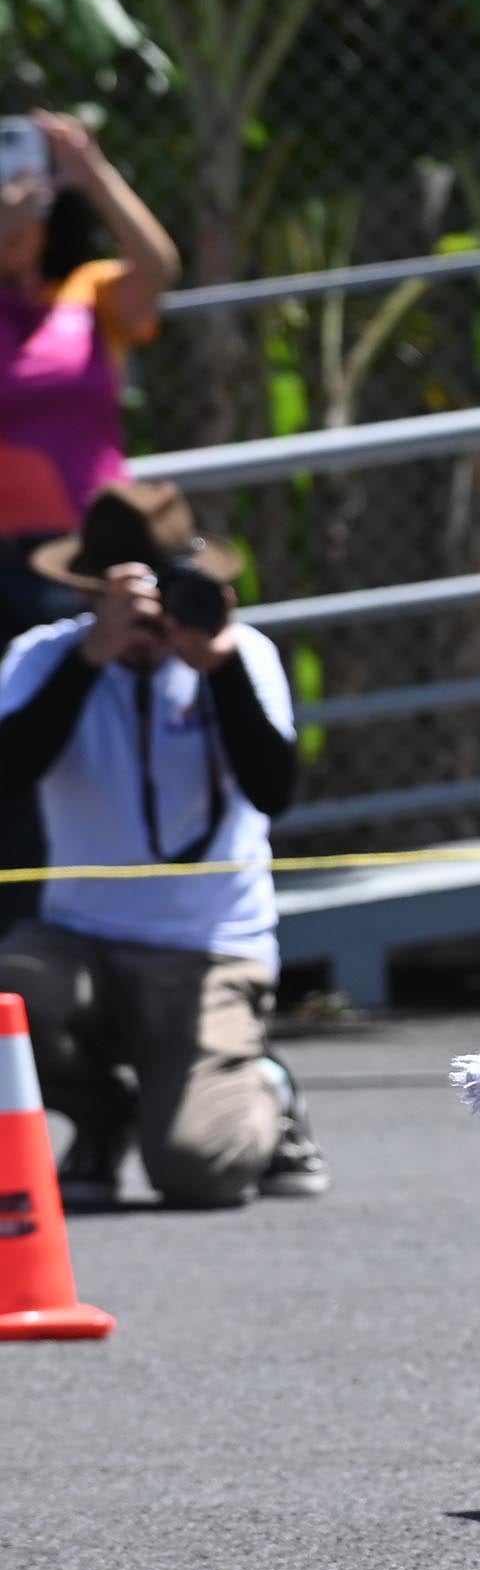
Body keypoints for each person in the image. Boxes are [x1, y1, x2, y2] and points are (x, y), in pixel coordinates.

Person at [0, 481, 327, 1209]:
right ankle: (100, 1116)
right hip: (82, 944)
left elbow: (273, 790)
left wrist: (217, 667)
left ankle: (266, 1088)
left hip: (209, 950)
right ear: (90, 594)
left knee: (196, 1170)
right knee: (12, 994)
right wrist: (92, 657)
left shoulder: (242, 656)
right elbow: (11, 772)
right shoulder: (45, 656)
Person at [0, 111, 179, 930]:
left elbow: (159, 266)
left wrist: (89, 168)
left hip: (85, 566)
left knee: (99, 743)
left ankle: (119, 926)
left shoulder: (91, 293)